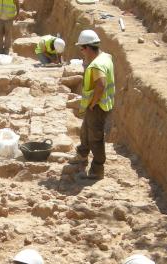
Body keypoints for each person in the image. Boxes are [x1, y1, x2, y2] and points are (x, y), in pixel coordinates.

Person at [68, 29, 115, 180]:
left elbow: (101, 85)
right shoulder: (105, 57)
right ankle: (82, 154)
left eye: (82, 48)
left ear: (87, 47)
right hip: (98, 104)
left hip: (98, 106)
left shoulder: (96, 65)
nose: (81, 52)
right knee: (85, 131)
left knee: (95, 138)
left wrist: (93, 103)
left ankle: (97, 169)